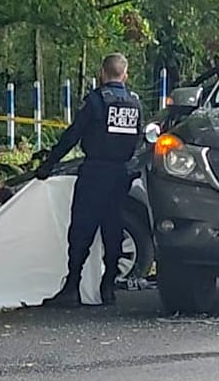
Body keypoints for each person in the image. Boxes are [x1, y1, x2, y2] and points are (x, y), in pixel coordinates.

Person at [35, 53, 142, 306]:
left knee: (81, 229)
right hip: (121, 174)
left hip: (95, 171)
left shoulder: (95, 101)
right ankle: (108, 287)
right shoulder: (134, 104)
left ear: (102, 73)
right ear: (125, 75)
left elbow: (73, 135)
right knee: (113, 227)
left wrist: (49, 164)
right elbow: (138, 139)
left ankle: (72, 286)